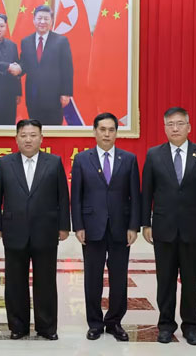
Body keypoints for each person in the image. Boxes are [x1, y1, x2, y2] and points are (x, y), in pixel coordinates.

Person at [141, 107, 196, 346]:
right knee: (165, 280)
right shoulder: (154, 155)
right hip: (163, 227)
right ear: (164, 127)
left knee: (192, 279)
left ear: (189, 126)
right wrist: (146, 223)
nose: (175, 128)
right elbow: (147, 193)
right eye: (170, 124)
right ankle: (165, 325)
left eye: (180, 123)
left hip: (194, 228)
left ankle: (191, 326)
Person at [0, 119, 71, 340]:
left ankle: (46, 327)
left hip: (46, 231)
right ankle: (18, 326)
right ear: (16, 138)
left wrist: (64, 226)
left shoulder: (53, 162)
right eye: (23, 135)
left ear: (41, 138)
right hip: (14, 231)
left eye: (33, 135)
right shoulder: (5, 163)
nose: (28, 139)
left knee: (46, 282)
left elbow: (62, 197)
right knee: (15, 282)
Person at [71, 112, 141, 341]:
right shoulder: (82, 159)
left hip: (121, 227)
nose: (107, 134)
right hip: (92, 227)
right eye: (102, 129)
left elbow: (135, 196)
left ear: (116, 133)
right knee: (92, 276)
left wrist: (134, 226)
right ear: (94, 132)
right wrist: (78, 226)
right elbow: (77, 197)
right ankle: (94, 323)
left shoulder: (128, 159)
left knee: (119, 277)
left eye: (111, 129)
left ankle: (114, 322)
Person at [19, 5, 73, 125]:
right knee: (34, 129)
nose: (42, 22)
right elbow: (24, 63)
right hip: (33, 96)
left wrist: (66, 93)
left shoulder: (61, 41)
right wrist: (17, 68)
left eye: (46, 19)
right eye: (39, 18)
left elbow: (67, 68)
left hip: (54, 97)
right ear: (34, 20)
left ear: (51, 21)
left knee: (53, 132)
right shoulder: (26, 41)